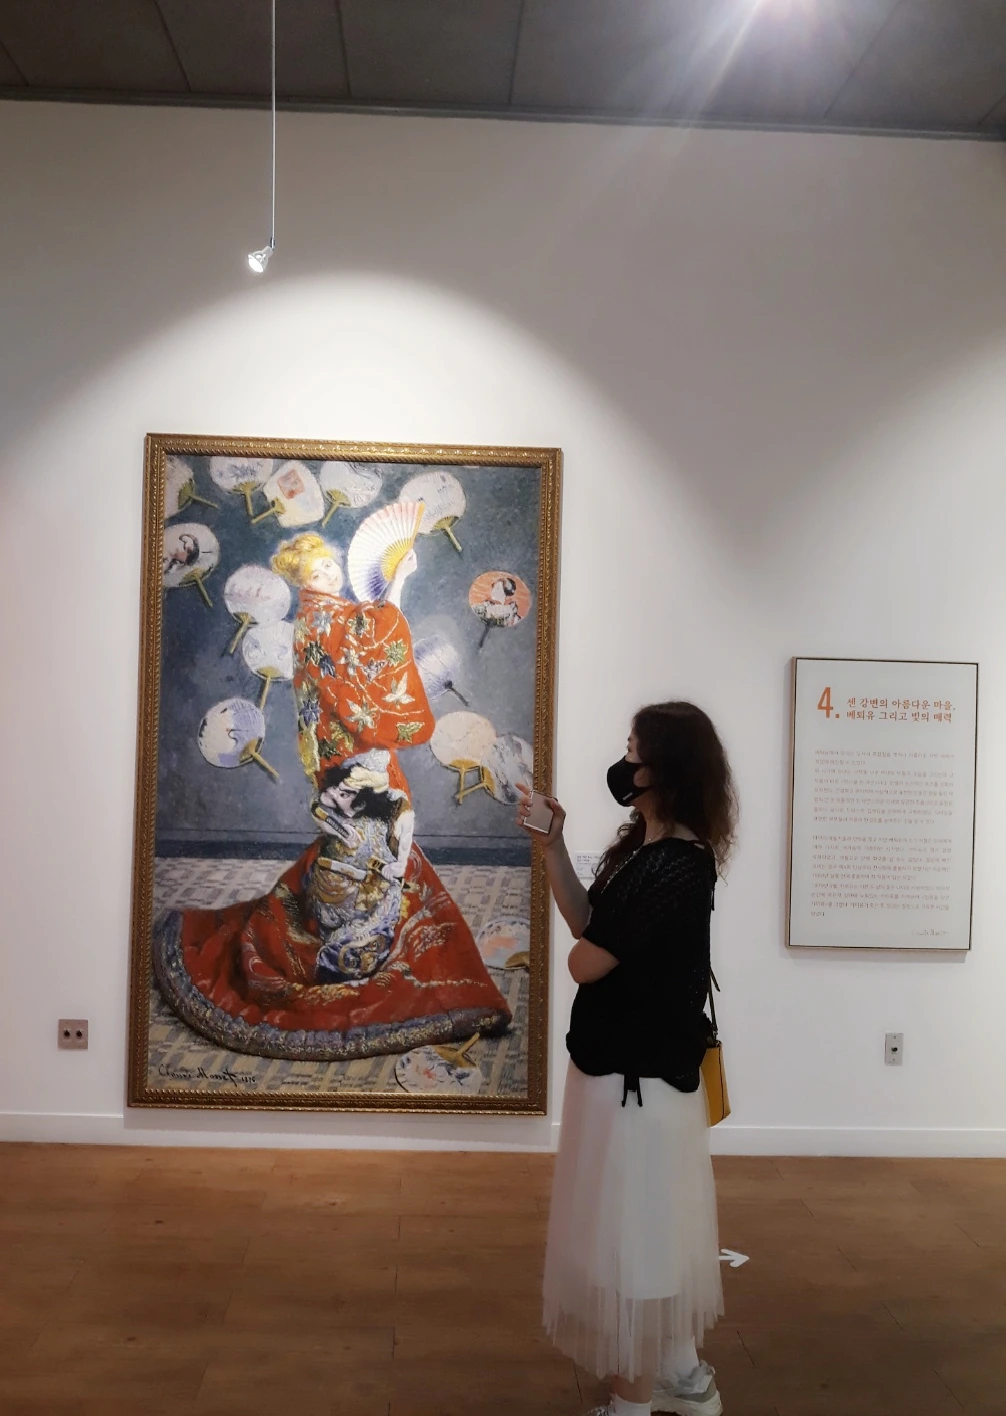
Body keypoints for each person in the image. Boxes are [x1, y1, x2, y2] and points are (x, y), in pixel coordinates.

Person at [154, 532, 511, 1062]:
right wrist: (399, 582)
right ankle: (350, 943)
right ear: (303, 580)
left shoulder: (326, 615)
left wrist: (396, 584)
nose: (328, 574)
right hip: (348, 753)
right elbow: (371, 642)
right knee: (367, 839)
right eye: (317, 571)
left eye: (329, 566)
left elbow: (368, 640)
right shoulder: (320, 618)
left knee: (378, 838)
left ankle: (369, 932)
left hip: (342, 749)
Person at [517, 702, 737, 1416]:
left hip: (638, 1085)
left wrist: (595, 950)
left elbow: (584, 960)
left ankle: (633, 1405)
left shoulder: (673, 866)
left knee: (635, 1248)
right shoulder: (648, 851)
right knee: (651, 1234)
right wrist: (553, 847)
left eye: (634, 753)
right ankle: (680, 1373)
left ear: (664, 769)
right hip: (628, 1078)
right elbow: (588, 923)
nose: (624, 764)